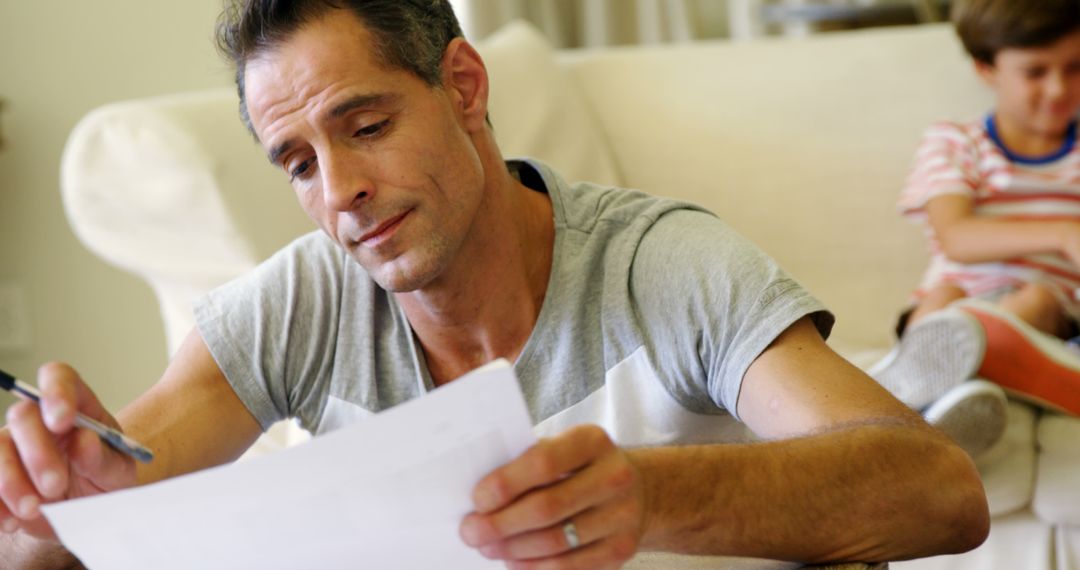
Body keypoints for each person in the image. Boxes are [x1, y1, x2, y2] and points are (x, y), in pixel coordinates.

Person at [0, 1, 989, 568]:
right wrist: (50, 515)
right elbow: (111, 498)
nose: (341, 192)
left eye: (368, 126)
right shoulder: (302, 299)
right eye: (298, 163)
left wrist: (642, 492)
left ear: (464, 88)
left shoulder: (663, 262)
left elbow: (937, 487)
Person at [870, 0, 1080, 457]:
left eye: (1075, 67)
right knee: (944, 300)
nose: (1059, 88)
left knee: (1040, 299)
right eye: (1035, 72)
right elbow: (957, 238)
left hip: (1046, 318)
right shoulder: (956, 142)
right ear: (986, 69)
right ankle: (930, 390)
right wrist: (1064, 232)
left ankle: (934, 405)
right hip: (952, 303)